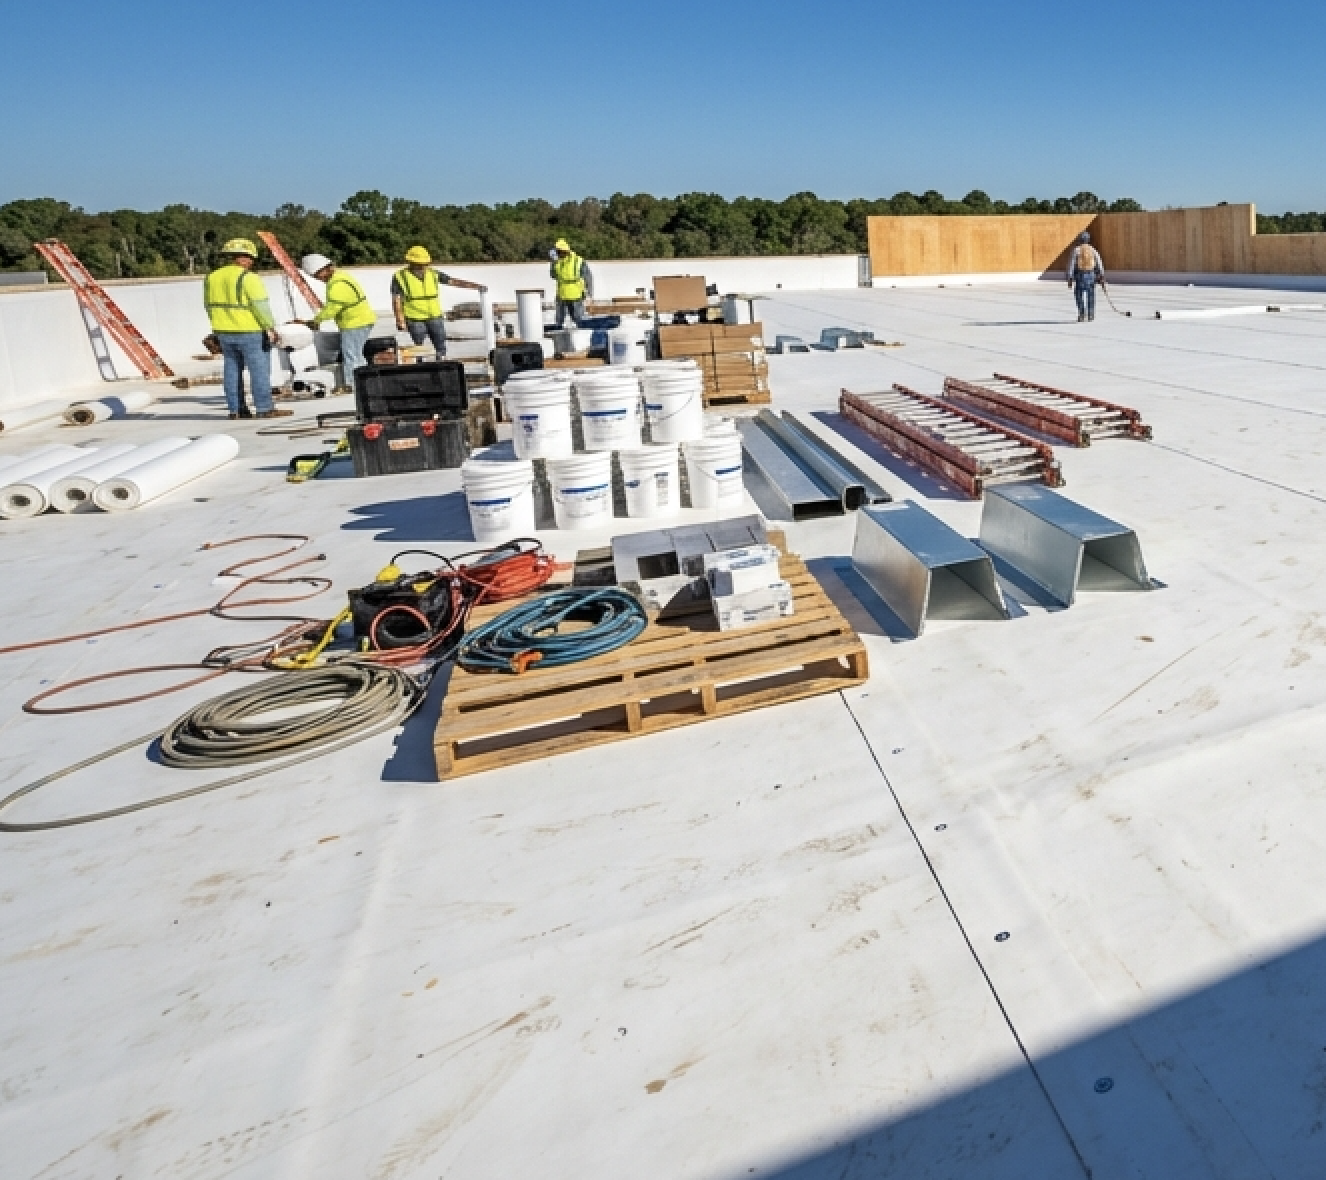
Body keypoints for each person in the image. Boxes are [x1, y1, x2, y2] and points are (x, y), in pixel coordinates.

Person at [202, 239, 291, 419]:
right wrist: (270, 328)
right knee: (259, 370)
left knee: (232, 369)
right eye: (250, 258)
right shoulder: (248, 278)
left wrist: (217, 329)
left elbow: (208, 305)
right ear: (242, 258)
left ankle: (236, 410)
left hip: (224, 332)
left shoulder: (212, 277)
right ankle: (264, 408)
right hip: (250, 331)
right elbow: (260, 306)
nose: (251, 262)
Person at [299, 254, 378, 388]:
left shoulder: (337, 283)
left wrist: (316, 320)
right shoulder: (340, 277)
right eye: (316, 276)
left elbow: (333, 308)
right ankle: (365, 382)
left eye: (318, 274)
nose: (319, 278)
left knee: (351, 355)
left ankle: (351, 385)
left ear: (326, 268)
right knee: (356, 354)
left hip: (355, 322)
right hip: (359, 320)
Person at [391, 246, 487, 356]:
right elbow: (396, 299)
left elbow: (453, 281)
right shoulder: (400, 276)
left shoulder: (433, 273)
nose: (422, 267)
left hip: (434, 316)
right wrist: (400, 320)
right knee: (418, 348)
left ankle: (441, 363)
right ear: (411, 262)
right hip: (414, 318)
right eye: (419, 264)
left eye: (425, 264)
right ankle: (420, 366)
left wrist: (477, 286)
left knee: (440, 345)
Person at [549, 238, 594, 328]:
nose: (557, 254)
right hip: (562, 294)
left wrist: (589, 292)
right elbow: (553, 275)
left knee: (579, 318)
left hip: (576, 294)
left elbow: (588, 276)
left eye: (558, 251)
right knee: (559, 320)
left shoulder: (578, 261)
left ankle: (581, 334)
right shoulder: (557, 262)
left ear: (564, 251)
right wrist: (553, 263)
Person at [1067, 231, 1105, 322]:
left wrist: (1070, 277)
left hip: (1080, 275)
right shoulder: (1093, 250)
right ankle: (1091, 314)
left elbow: (1072, 264)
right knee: (1091, 295)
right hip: (1091, 275)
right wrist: (1101, 275)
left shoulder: (1077, 250)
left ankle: (1082, 314)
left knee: (1078, 295)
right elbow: (1099, 263)